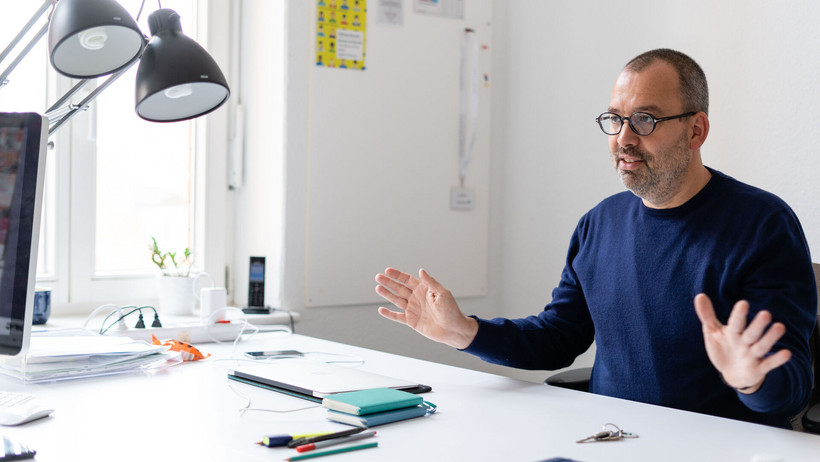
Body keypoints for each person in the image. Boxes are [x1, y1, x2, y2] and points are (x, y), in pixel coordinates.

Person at [374, 48, 816, 429]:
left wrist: (752, 378)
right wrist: (465, 332)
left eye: (645, 120)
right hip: (611, 440)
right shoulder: (598, 224)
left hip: (719, 446)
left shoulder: (763, 224)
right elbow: (558, 338)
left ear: (696, 130)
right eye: (615, 119)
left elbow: (793, 388)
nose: (624, 139)